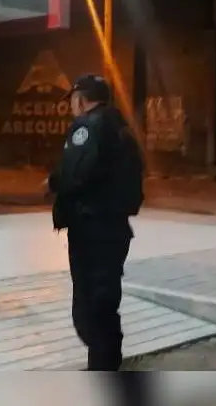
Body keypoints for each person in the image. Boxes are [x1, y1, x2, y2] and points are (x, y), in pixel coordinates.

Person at [44, 74, 144, 370]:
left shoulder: (87, 126)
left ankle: (102, 367)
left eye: (73, 100)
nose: (72, 107)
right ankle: (106, 363)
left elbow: (77, 172)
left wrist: (52, 183)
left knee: (90, 309)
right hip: (114, 226)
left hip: (91, 228)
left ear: (81, 98)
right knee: (104, 303)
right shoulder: (121, 126)